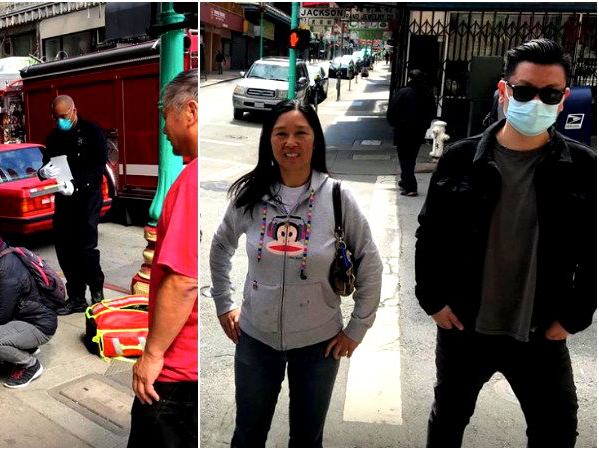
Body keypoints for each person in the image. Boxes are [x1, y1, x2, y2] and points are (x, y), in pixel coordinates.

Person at [416, 39, 596, 448]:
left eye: (549, 94)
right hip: (464, 326)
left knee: (557, 428)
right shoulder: (461, 158)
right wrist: (433, 300)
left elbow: (593, 252)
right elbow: (431, 234)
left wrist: (573, 316)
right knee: (448, 421)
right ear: (504, 91)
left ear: (563, 99)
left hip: (540, 331)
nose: (536, 101)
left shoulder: (583, 168)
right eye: (524, 90)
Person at [209, 99, 383, 447]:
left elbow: (370, 263)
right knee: (248, 434)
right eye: (281, 134)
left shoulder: (338, 197)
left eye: (300, 133)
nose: (291, 142)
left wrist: (356, 328)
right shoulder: (250, 196)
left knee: (306, 438)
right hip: (256, 340)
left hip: (319, 347)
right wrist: (224, 304)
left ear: (314, 139)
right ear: (269, 141)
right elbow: (219, 247)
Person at [128, 70, 199, 448]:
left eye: (164, 116)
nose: (164, 128)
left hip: (177, 369)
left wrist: (152, 355)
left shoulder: (189, 185)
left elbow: (184, 279)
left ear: (189, 112)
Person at [0, 207, 57, 389]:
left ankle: (30, 364)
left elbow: (0, 315)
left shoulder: (4, 267)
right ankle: (23, 347)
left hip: (39, 324)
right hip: (19, 317)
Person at [38, 95, 108, 314]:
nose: (61, 121)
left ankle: (97, 292)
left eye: (64, 116)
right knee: (65, 250)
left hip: (86, 197)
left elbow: (98, 169)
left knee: (85, 249)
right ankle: (76, 296)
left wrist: (77, 185)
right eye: (56, 118)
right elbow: (46, 165)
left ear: (73, 110)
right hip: (64, 200)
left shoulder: (92, 133)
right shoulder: (55, 137)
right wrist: (43, 172)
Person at [386, 69, 437, 196]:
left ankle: (410, 186)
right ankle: (405, 180)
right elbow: (432, 113)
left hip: (403, 131)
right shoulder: (427, 94)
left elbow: (391, 112)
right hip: (418, 132)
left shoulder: (403, 92)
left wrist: (396, 124)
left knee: (404, 159)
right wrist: (424, 126)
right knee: (411, 158)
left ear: (410, 78)